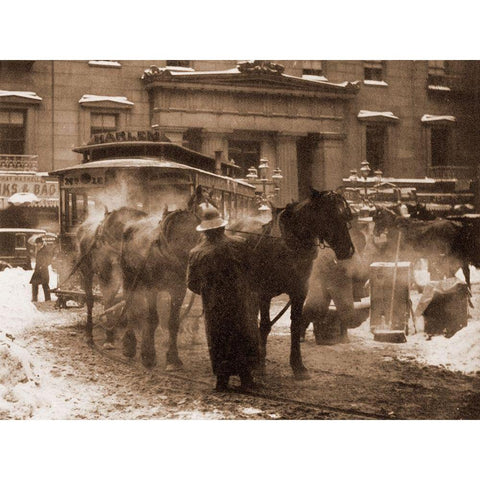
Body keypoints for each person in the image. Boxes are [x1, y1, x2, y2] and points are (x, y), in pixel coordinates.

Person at [187, 204, 259, 392]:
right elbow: (252, 270)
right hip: (239, 301)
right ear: (222, 227)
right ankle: (246, 379)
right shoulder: (239, 244)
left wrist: (208, 292)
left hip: (213, 306)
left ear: (205, 231)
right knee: (242, 336)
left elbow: (191, 284)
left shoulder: (196, 253)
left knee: (218, 339)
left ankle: (222, 380)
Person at [30, 236, 52, 302]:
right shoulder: (38, 250)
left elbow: (49, 260)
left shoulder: (46, 250)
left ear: (41, 243)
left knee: (45, 284)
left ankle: (48, 299)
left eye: (38, 243)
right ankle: (34, 299)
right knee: (34, 284)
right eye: (36, 243)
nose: (36, 245)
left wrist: (43, 265)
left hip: (43, 270)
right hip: (37, 270)